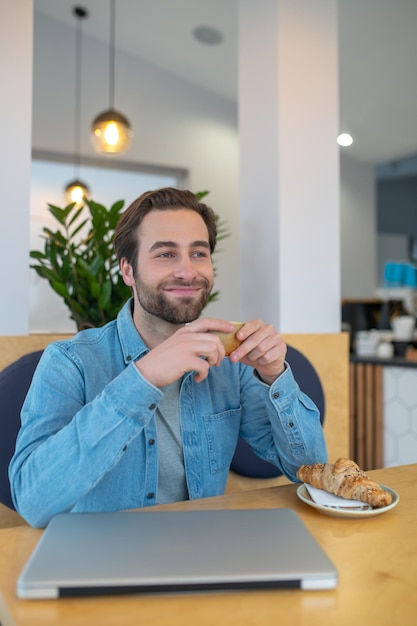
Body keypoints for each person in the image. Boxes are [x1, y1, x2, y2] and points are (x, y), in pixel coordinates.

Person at [9, 187, 327, 528]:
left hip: (201, 551)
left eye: (198, 254)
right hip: (104, 559)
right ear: (128, 271)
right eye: (165, 254)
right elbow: (33, 501)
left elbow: (308, 468)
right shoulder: (69, 362)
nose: (188, 272)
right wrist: (143, 378)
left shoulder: (229, 364)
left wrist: (274, 374)